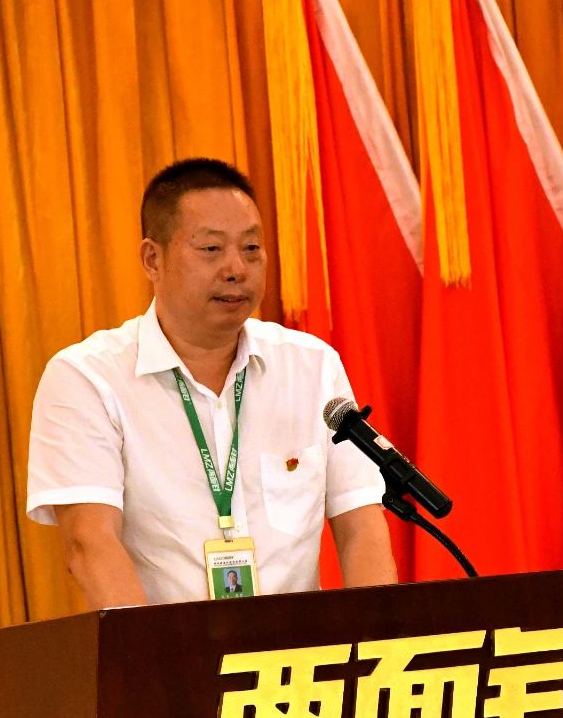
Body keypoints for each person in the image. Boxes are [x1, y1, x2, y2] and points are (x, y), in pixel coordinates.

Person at [26, 158, 397, 608]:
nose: (236, 268)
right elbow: (90, 544)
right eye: (211, 249)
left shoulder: (312, 366)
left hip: (298, 652)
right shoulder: (87, 378)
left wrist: (380, 640)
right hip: (165, 646)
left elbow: (361, 526)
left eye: (251, 248)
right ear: (153, 259)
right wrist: (156, 652)